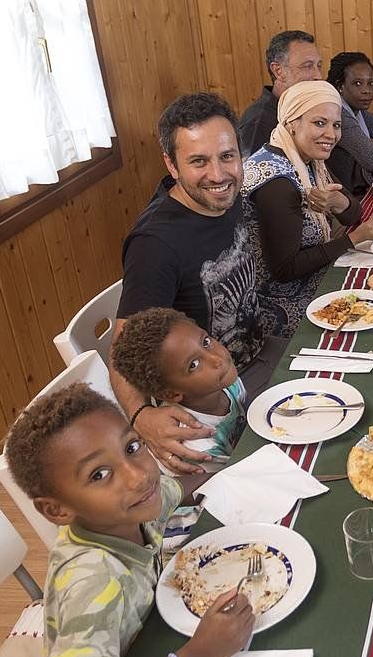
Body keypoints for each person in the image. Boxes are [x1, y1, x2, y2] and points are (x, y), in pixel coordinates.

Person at [5, 384, 254, 657]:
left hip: (148, 639)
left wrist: (241, 470)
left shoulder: (133, 507)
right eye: (99, 474)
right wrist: (198, 656)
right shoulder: (96, 582)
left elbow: (180, 487)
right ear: (56, 510)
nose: (137, 476)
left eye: (132, 447)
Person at [116, 93, 284, 476]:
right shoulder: (155, 246)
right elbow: (123, 348)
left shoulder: (227, 197)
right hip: (216, 392)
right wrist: (141, 416)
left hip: (257, 355)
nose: (219, 174)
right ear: (171, 165)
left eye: (227, 156)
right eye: (198, 161)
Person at [243, 80, 373, 338]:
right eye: (319, 123)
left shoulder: (307, 161)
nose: (331, 135)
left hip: (307, 276)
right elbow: (285, 270)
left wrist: (337, 202)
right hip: (277, 303)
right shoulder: (277, 183)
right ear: (291, 123)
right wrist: (355, 238)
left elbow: (353, 213)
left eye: (336, 125)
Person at [110, 307, 247, 476]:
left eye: (206, 342)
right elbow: (235, 480)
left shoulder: (226, 384)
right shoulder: (197, 443)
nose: (217, 359)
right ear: (172, 395)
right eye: (194, 365)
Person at [325, 51, 373, 198]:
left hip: (359, 189)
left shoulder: (356, 110)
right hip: (349, 198)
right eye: (357, 83)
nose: (367, 90)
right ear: (340, 86)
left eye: (371, 83)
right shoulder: (339, 115)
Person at [238, 30, 323, 154]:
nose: (318, 76)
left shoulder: (303, 110)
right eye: (307, 66)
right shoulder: (259, 122)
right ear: (278, 71)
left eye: (319, 66)